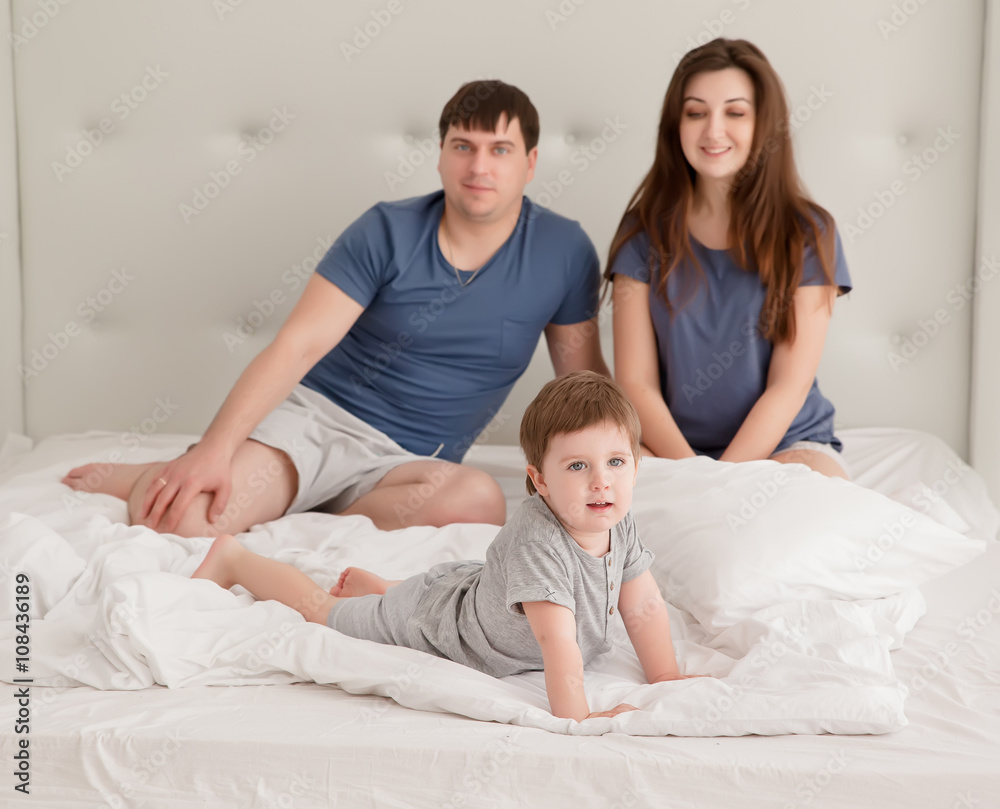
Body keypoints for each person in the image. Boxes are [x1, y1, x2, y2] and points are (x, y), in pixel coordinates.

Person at [62, 80, 608, 535]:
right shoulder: (387, 230)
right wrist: (212, 450)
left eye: (500, 149)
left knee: (478, 503)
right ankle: (162, 473)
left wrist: (631, 450)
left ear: (531, 162)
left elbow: (580, 381)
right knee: (185, 521)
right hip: (318, 424)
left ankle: (295, 510)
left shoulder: (563, 252)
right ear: (441, 155)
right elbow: (299, 344)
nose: (479, 166)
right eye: (463, 146)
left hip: (409, 465)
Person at [191, 372, 701, 721]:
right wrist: (582, 719)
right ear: (539, 480)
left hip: (476, 591)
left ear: (636, 466)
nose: (600, 483)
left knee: (439, 589)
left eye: (615, 462)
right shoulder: (541, 543)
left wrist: (665, 676)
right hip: (442, 626)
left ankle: (381, 587)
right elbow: (556, 644)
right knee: (322, 612)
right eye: (576, 466)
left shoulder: (619, 521)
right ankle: (236, 558)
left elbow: (643, 605)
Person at [607, 39, 852, 478]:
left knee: (786, 514)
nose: (713, 131)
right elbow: (635, 383)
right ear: (675, 125)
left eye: (735, 113)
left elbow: (788, 385)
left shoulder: (810, 234)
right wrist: (693, 476)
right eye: (696, 112)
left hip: (788, 442)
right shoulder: (640, 235)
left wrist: (723, 482)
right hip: (668, 450)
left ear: (764, 125)